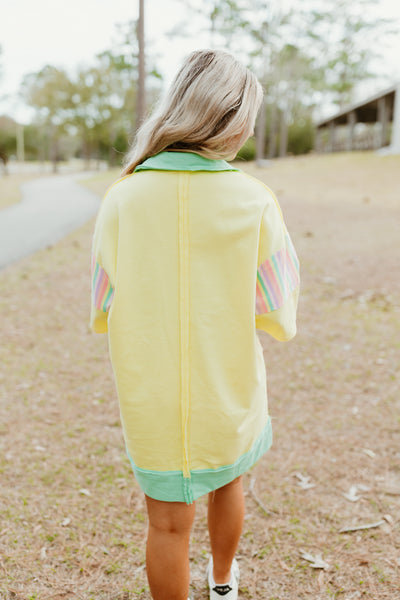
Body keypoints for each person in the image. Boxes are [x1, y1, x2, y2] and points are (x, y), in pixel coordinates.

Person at [90, 49, 299, 600]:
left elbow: (103, 298)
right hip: (226, 380)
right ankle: (224, 583)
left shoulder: (123, 197)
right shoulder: (254, 200)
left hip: (151, 393)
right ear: (233, 121)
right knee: (229, 480)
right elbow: (274, 304)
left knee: (165, 525)